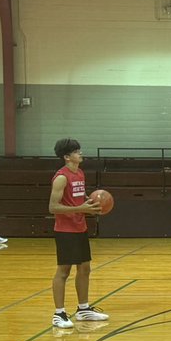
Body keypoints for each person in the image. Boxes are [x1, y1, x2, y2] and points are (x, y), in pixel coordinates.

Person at [48, 138, 109, 330]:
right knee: (63, 271)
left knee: (84, 268)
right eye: (76, 151)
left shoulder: (80, 173)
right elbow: (53, 207)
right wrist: (81, 208)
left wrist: (91, 203)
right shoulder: (61, 177)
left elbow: (78, 198)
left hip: (80, 227)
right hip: (65, 230)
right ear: (67, 157)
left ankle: (83, 309)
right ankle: (59, 314)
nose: (80, 153)